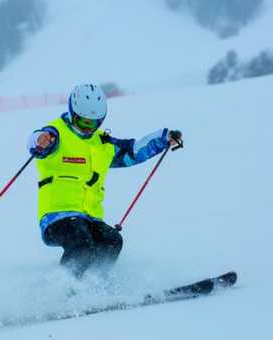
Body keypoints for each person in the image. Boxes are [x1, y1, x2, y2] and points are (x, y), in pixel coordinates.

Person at [28, 83, 183, 278]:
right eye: (83, 122)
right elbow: (36, 142)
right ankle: (62, 291)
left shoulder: (103, 143)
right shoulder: (55, 134)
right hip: (56, 217)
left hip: (89, 217)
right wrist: (40, 140)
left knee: (112, 240)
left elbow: (133, 152)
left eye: (93, 123)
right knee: (81, 243)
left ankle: (95, 286)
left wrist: (164, 139)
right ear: (72, 112)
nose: (87, 128)